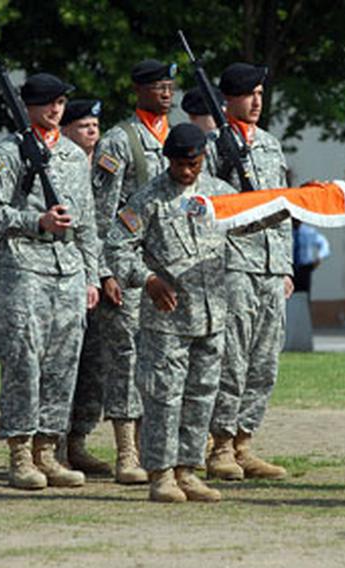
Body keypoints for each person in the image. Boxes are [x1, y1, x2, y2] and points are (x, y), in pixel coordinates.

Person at [0, 72, 100, 491]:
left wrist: (91, 274)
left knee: (62, 364)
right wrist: (37, 221)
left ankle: (48, 451)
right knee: (23, 363)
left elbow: (87, 223)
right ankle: (20, 452)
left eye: (61, 102)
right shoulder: (8, 153)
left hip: (67, 272)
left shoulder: (71, 154)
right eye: (48, 102)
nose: (56, 109)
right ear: (29, 106)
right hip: (23, 269)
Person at [105, 123, 235, 502]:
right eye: (178, 164)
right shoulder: (147, 199)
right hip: (168, 318)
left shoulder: (219, 194)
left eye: (192, 163)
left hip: (212, 314)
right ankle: (161, 473)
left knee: (201, 396)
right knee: (163, 397)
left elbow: (253, 220)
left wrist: (299, 201)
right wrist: (146, 279)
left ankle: (188, 470)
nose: (185, 171)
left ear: (203, 159)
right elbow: (116, 247)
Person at [205, 62, 293, 481]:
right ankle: (219, 444)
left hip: (271, 265)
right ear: (228, 99)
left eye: (260, 92)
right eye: (248, 94)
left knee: (265, 359)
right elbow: (201, 205)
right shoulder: (210, 147)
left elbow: (282, 206)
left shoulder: (272, 146)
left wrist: (287, 265)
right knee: (232, 359)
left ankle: (244, 441)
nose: (256, 101)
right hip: (233, 262)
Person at [91, 59, 176, 484]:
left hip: (168, 270)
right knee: (125, 359)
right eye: (157, 86)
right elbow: (101, 213)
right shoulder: (118, 141)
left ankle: (156, 447)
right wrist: (104, 271)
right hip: (127, 268)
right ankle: (127, 451)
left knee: (162, 361)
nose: (166, 93)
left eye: (169, 86)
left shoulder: (179, 140)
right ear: (139, 90)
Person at [55, 98, 113, 476]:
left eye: (95, 125)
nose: (92, 132)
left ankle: (79, 439)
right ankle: (55, 442)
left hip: (104, 274)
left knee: (95, 364)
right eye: (83, 126)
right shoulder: (56, 166)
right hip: (65, 274)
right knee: (63, 364)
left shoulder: (107, 167)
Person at [292, 220, 330, 294]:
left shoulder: (309, 232)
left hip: (304, 267)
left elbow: (323, 243)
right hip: (290, 267)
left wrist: (319, 257)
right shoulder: (287, 232)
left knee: (303, 293)